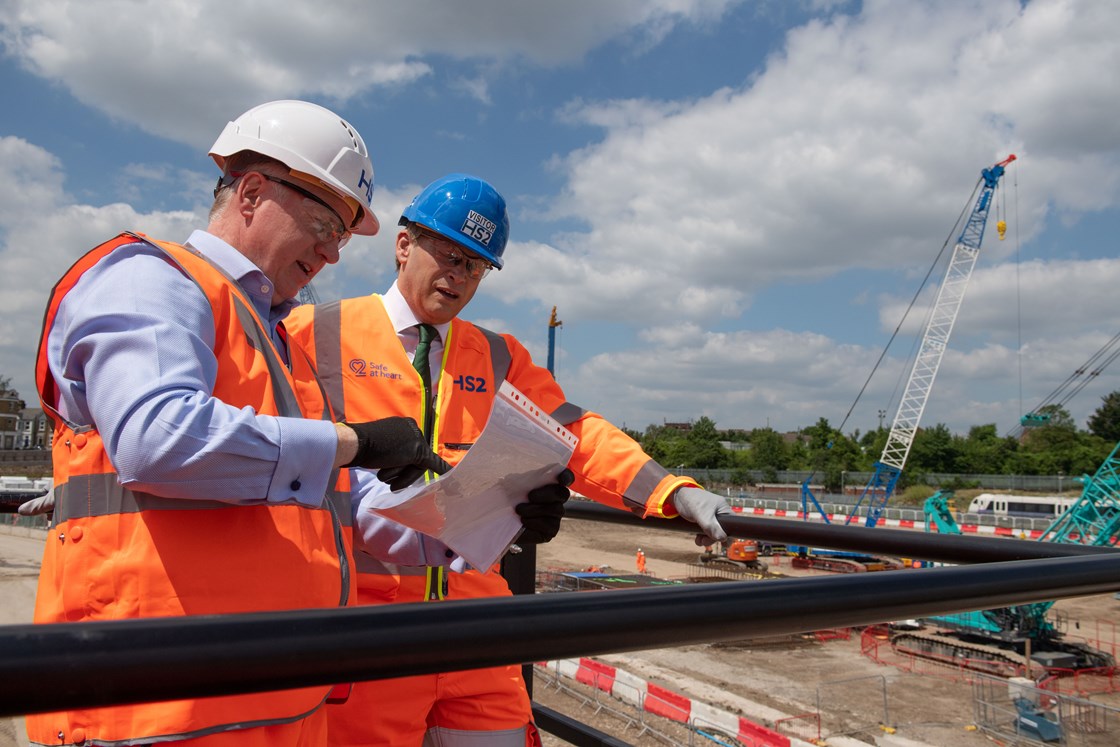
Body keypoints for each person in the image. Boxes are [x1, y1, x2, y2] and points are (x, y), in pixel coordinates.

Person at [24, 100, 450, 747]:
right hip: (151, 710)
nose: (332, 253)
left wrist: (475, 520)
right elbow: (159, 437)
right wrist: (355, 441)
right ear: (252, 191)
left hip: (279, 707)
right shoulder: (149, 280)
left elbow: (349, 505)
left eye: (340, 235)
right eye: (324, 225)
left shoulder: (283, 347)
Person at [284, 172, 733, 746]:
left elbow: (574, 433)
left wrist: (671, 491)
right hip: (365, 629)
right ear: (403, 245)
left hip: (478, 626)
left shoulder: (497, 354)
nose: (459, 274)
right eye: (448, 253)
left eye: (475, 265)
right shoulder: (313, 333)